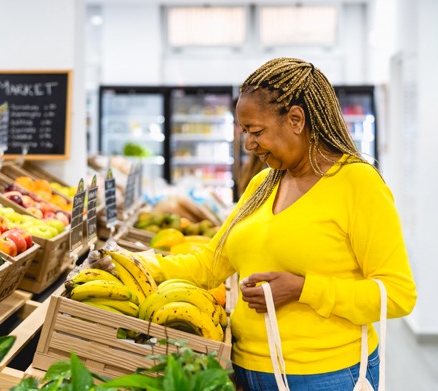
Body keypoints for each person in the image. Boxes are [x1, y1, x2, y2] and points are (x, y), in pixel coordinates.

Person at [87, 57, 417, 391]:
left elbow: (398, 294)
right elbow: (208, 264)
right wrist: (131, 262)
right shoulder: (264, 184)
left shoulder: (358, 183)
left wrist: (303, 289)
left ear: (296, 120)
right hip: (245, 370)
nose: (248, 144)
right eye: (244, 132)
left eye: (256, 131)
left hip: (326, 376)